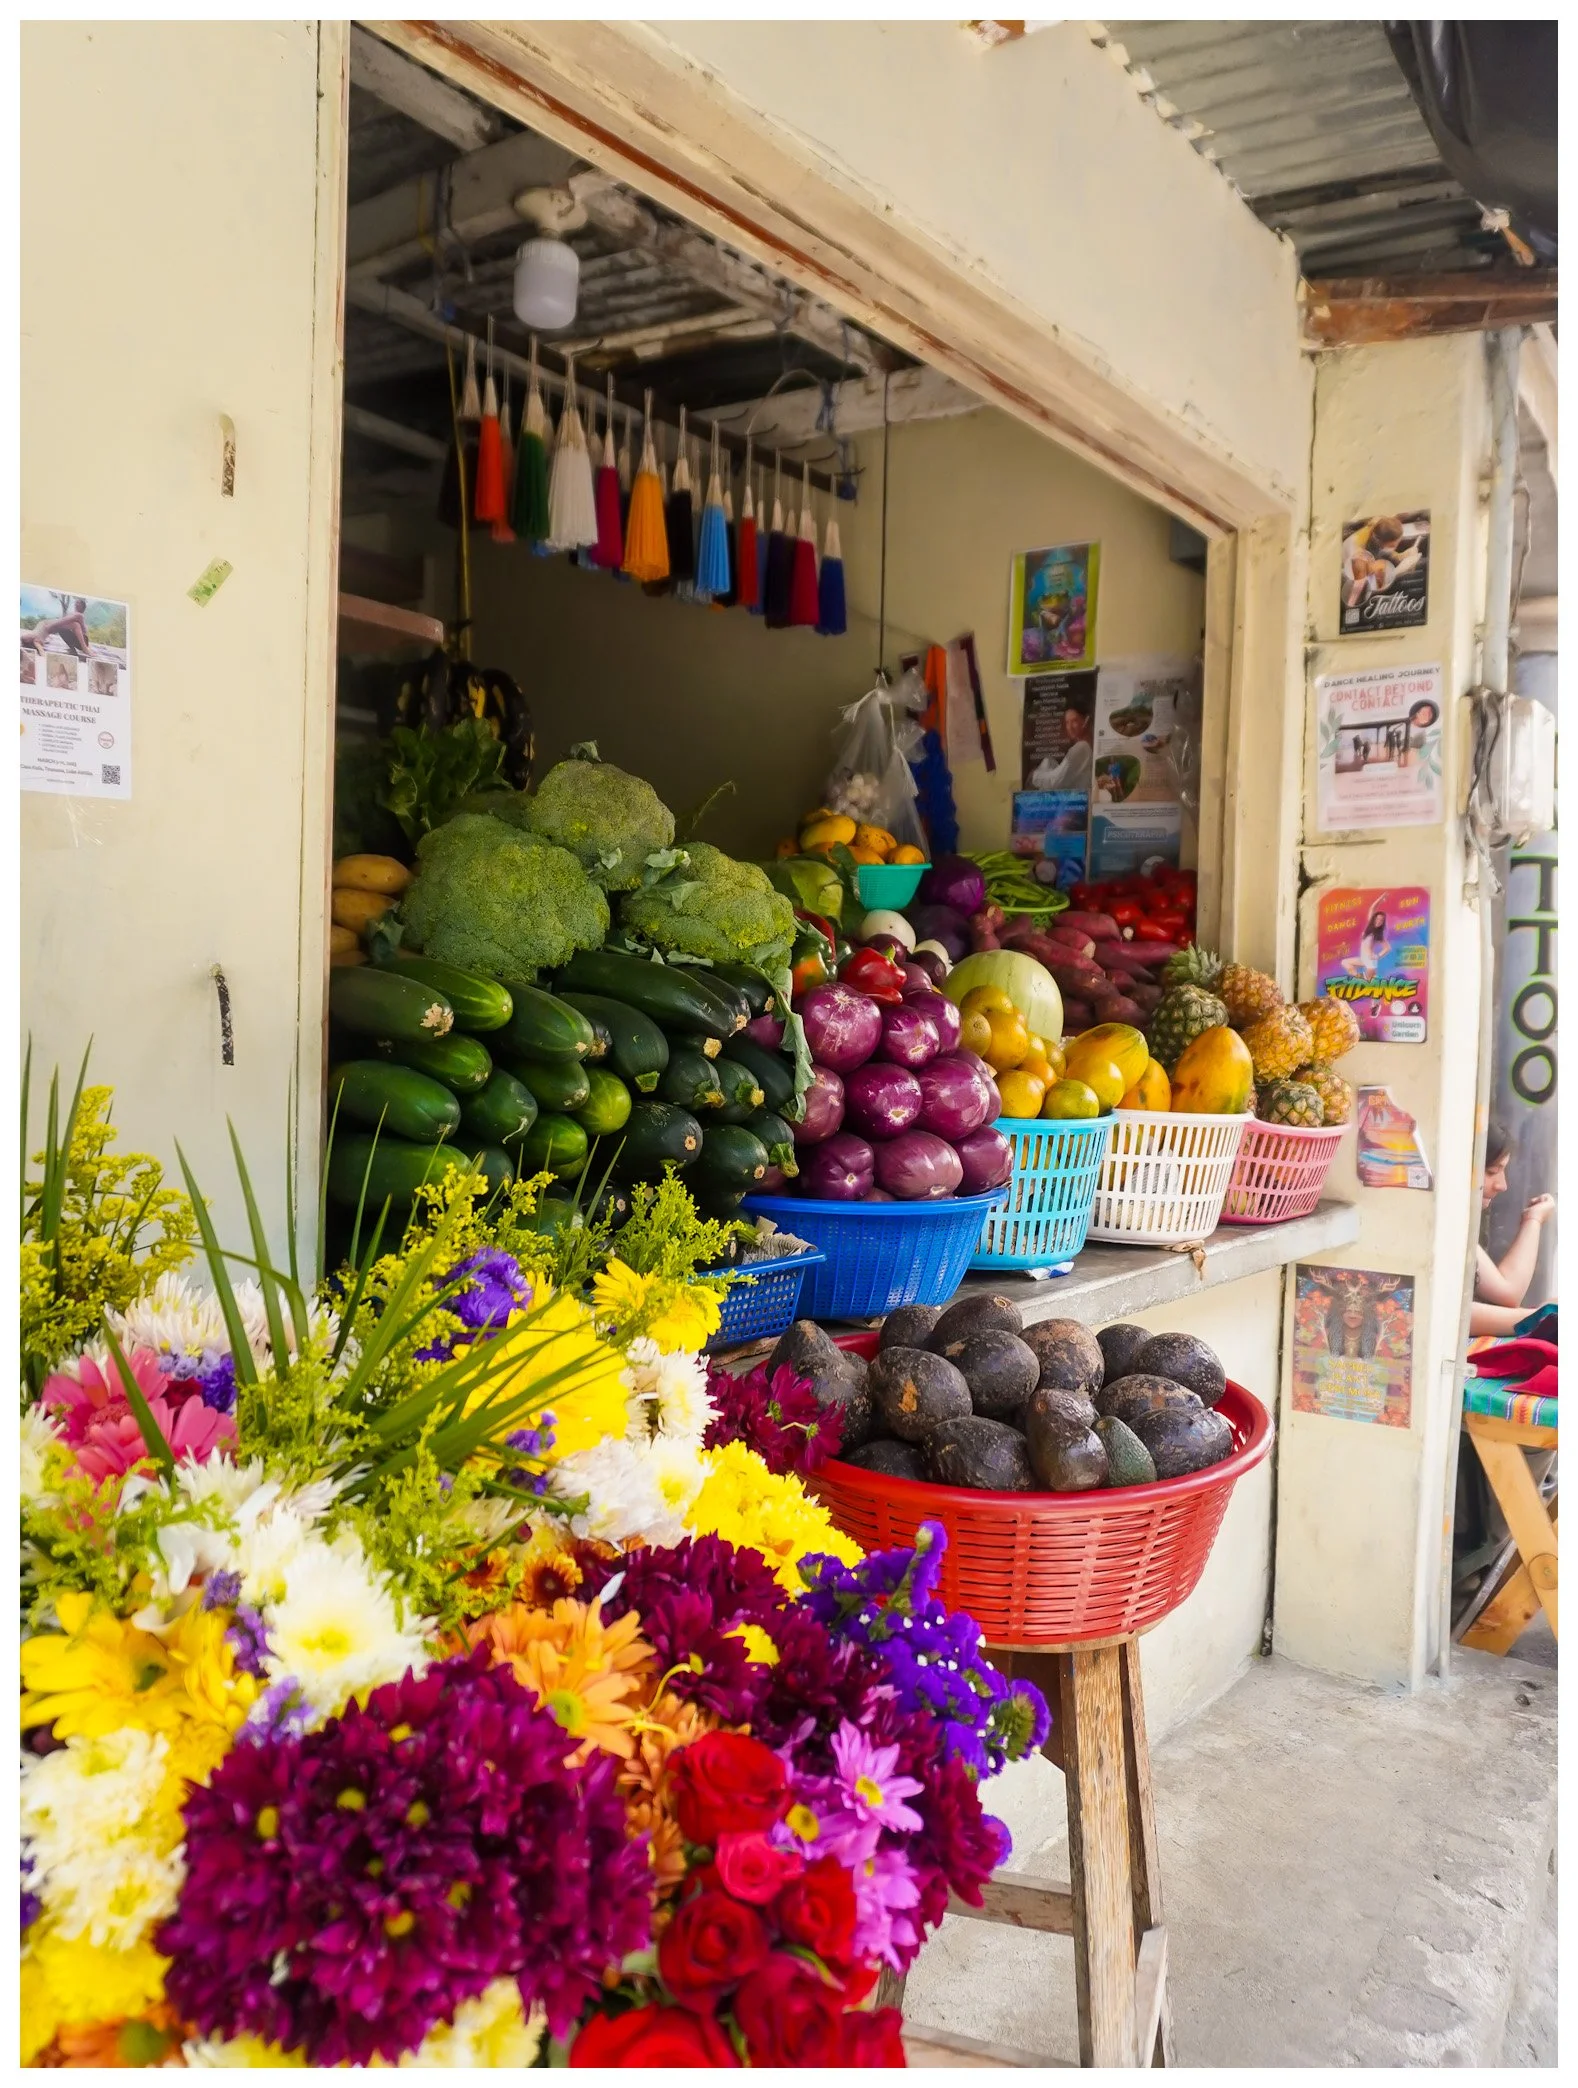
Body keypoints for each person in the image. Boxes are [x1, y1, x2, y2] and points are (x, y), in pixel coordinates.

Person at [1471, 1119, 1555, 1336]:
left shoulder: (1456, 1229)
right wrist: (1541, 1316)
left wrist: (1533, 1220)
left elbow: (1508, 1292)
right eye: (1491, 1171)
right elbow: (1453, 1314)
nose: (1502, 1185)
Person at [1031, 687, 1093, 792]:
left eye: (1074, 721)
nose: (1070, 727)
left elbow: (1055, 781)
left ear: (1085, 721)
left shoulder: (1081, 748)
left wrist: (1034, 776)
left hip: (1076, 804)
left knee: (1046, 765)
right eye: (1067, 722)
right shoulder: (1083, 748)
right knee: (1048, 762)